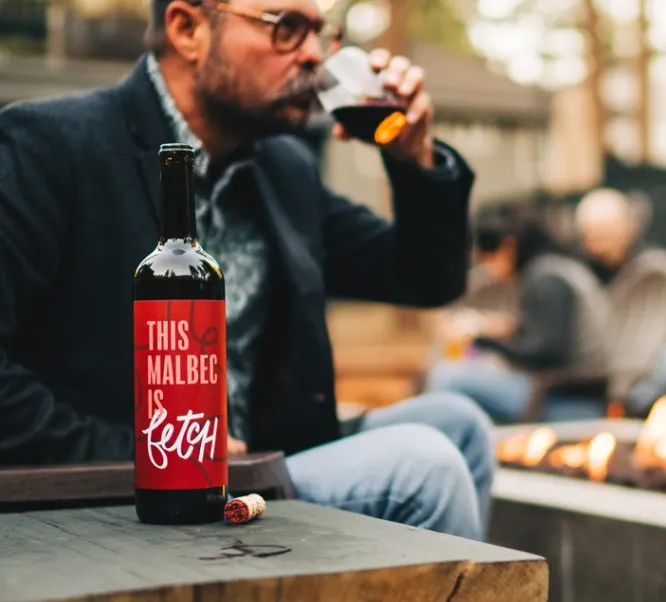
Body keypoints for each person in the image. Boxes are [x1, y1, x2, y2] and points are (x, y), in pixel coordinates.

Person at [0, 0, 495, 540]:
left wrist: (414, 159)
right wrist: (154, 451)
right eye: (287, 28)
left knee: (460, 423)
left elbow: (424, 277)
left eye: (319, 32)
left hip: (260, 470)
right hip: (137, 494)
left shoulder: (281, 169)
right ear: (188, 29)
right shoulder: (50, 147)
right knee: (424, 466)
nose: (314, 54)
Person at [424, 215, 613, 422]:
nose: (488, 268)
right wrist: (506, 329)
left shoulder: (547, 280)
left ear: (507, 246)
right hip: (563, 390)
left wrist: (482, 339)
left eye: (488, 257)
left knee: (447, 376)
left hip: (565, 398)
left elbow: (548, 353)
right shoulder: (555, 268)